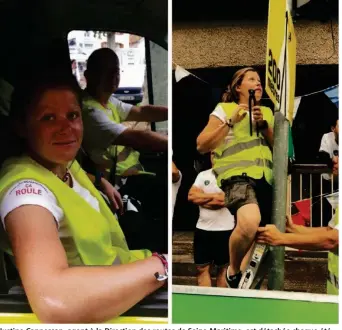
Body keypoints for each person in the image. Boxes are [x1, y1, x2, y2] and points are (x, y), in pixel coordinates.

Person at [0, 71, 168, 323]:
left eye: (72, 115)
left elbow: (80, 175)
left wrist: (101, 182)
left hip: (123, 277)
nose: (65, 127)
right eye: (48, 118)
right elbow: (55, 301)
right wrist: (163, 266)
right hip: (106, 302)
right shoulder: (25, 193)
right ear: (22, 127)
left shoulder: (61, 163)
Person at [196, 67, 274, 288]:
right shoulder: (224, 108)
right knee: (249, 223)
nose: (258, 83)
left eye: (259, 80)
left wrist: (265, 128)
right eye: (252, 79)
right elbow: (202, 145)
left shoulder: (267, 112)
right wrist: (229, 122)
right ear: (237, 87)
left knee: (258, 236)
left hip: (266, 179)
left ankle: (244, 286)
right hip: (236, 177)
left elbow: (280, 150)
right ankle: (233, 270)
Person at [188, 154, 235, 288]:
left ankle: (220, 305)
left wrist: (203, 198)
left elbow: (224, 200)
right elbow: (191, 196)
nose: (216, 157)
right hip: (203, 230)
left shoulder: (233, 176)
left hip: (225, 231)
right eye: (213, 154)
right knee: (201, 269)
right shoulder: (202, 175)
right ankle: (204, 305)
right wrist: (215, 197)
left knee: (224, 270)